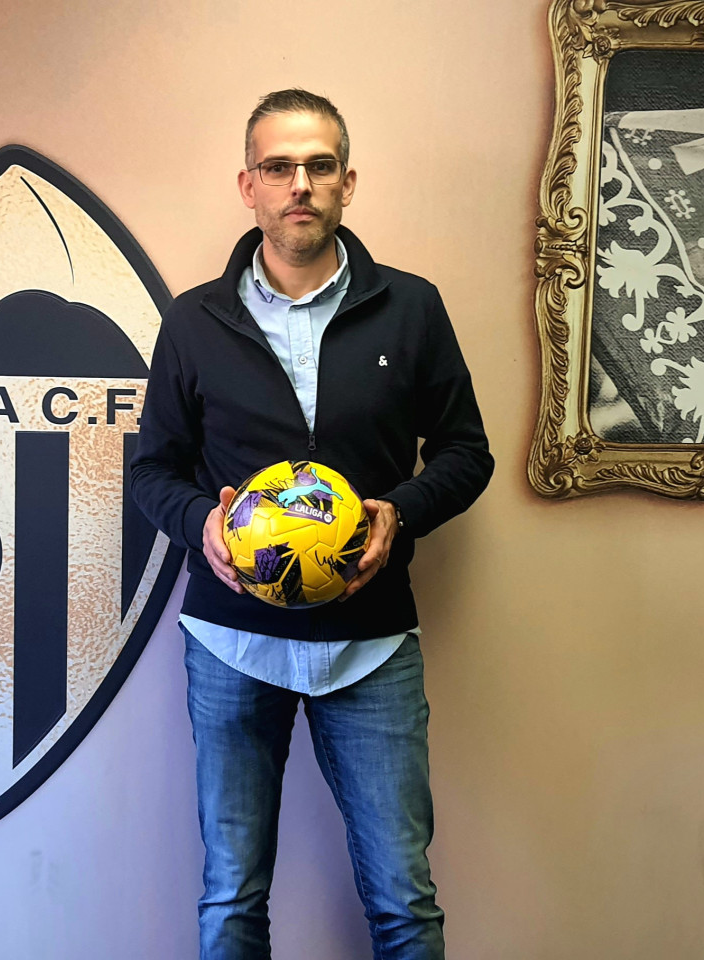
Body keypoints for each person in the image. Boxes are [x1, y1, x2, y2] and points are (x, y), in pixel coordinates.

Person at [130, 89, 493, 960]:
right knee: (232, 897)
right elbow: (152, 470)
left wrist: (400, 512)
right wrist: (202, 525)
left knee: (404, 901)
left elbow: (466, 452)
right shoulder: (193, 320)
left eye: (319, 166)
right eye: (279, 167)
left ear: (347, 182)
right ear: (248, 185)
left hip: (371, 644)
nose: (300, 184)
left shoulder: (412, 308)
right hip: (231, 643)